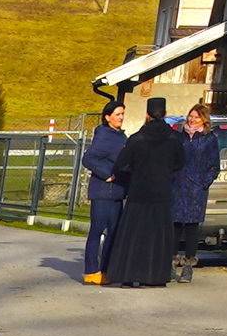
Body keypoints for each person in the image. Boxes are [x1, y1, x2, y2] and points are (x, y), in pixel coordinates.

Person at [97, 99, 186, 289]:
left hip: (139, 192)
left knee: (134, 236)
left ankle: (129, 275)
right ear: (164, 114)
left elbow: (122, 164)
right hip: (161, 193)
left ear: (147, 115)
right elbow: (180, 163)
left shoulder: (137, 139)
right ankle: (154, 277)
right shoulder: (174, 139)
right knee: (157, 236)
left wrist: (135, 173)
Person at [79, 97, 129, 286]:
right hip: (103, 192)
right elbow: (89, 158)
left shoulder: (119, 135)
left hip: (117, 192)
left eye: (123, 114)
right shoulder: (105, 135)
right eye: (117, 114)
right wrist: (107, 174)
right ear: (107, 117)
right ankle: (92, 271)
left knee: (113, 233)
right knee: (98, 230)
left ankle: (107, 270)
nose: (121, 117)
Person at [170, 106, 221, 277]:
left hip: (196, 190)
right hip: (177, 187)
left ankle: (188, 264)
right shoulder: (178, 137)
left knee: (192, 227)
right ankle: (171, 261)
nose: (192, 120)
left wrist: (203, 183)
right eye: (190, 116)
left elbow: (214, 166)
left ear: (203, 120)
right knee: (175, 225)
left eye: (196, 117)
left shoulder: (209, 139)